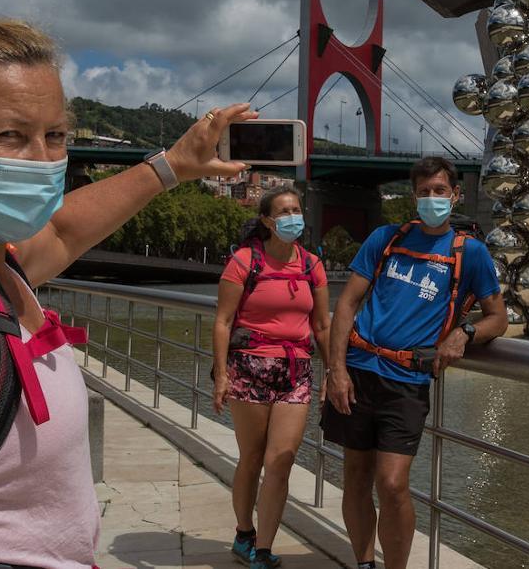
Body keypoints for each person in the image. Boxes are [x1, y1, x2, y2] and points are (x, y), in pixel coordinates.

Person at [0, 18, 256, 569]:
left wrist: (173, 165)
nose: (43, 160)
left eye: (55, 136)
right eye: (10, 136)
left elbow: (61, 230)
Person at [322, 157, 507, 569]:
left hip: (406, 380)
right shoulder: (386, 238)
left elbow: (499, 318)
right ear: (413, 196)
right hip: (357, 369)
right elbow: (348, 303)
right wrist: (335, 371)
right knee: (355, 475)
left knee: (392, 484)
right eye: (424, 192)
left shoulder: (470, 253)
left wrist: (465, 333)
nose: (432, 199)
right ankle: (364, 562)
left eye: (440, 191)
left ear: (456, 195)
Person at [212, 186, 331, 569]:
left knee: (281, 458)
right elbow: (223, 321)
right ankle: (244, 533)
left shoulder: (312, 265)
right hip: (249, 367)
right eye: (284, 211)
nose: (292, 217)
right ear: (267, 220)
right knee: (252, 457)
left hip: (295, 370)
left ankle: (263, 549)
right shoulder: (246, 261)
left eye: (296, 209)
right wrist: (220, 376)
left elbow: (323, 326)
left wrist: (333, 372)